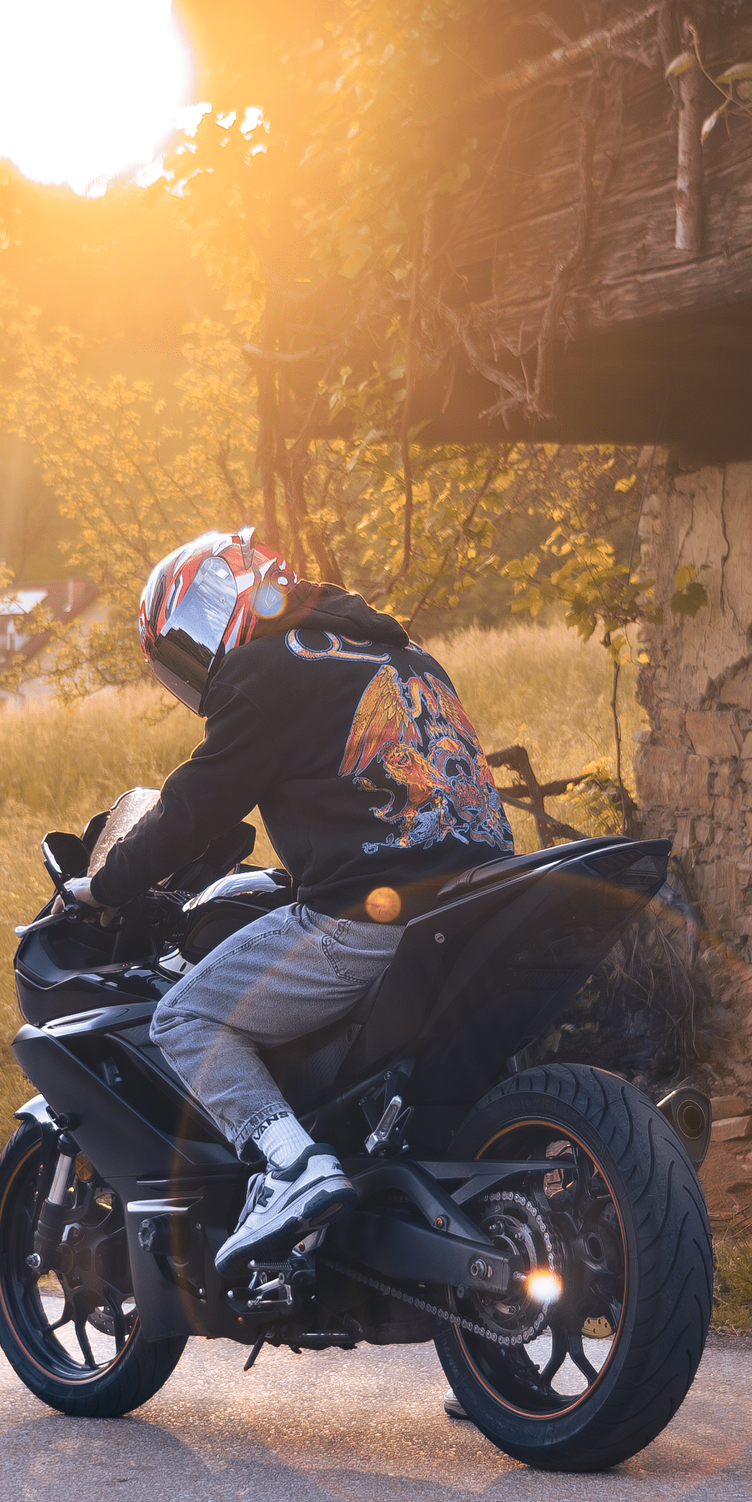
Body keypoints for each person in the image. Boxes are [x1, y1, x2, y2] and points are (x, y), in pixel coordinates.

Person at [77, 528, 515, 1268]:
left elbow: (191, 811)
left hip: (370, 920)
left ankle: (290, 1165)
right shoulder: (406, 655)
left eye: (186, 645)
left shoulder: (264, 672)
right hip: (485, 903)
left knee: (185, 1015)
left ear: (218, 607)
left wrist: (105, 884)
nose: (195, 673)